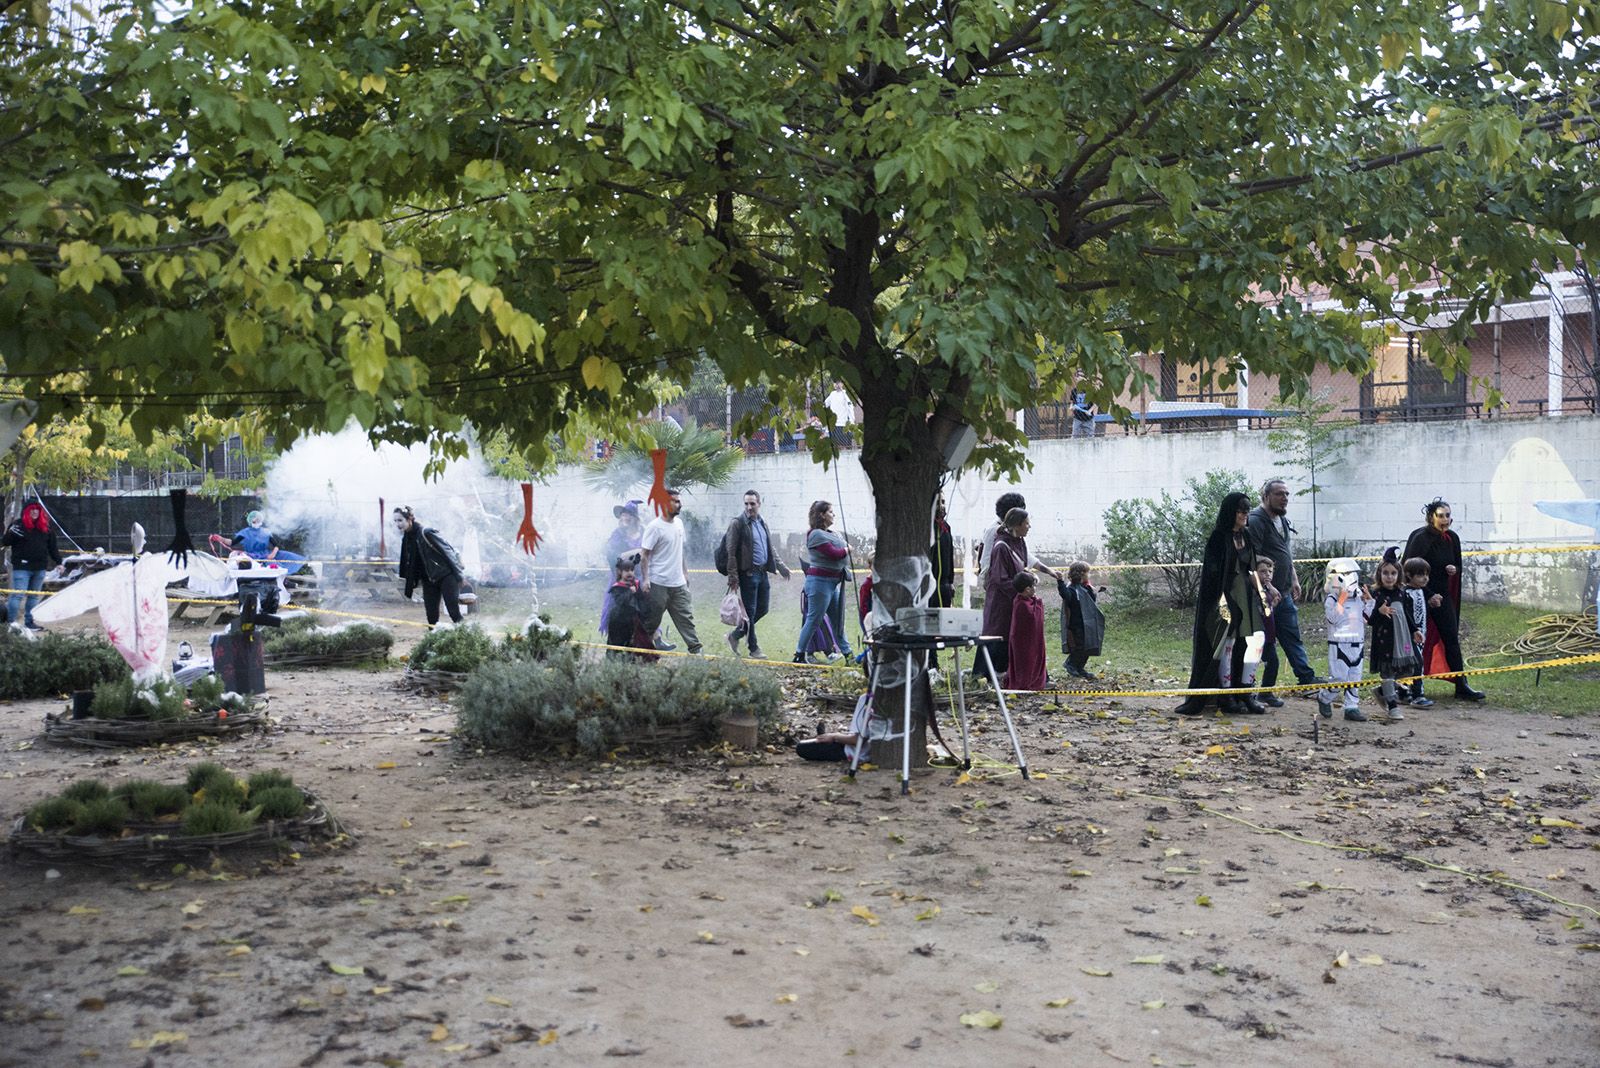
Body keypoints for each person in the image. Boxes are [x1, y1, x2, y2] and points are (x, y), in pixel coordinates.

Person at [1175, 492, 1267, 716]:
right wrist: (1224, 603)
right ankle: (1225, 697)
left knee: (1252, 647)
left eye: (1247, 510)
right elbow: (1213, 576)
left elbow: (1252, 568)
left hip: (1246, 598)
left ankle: (1245, 693)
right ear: (1231, 512)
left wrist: (1264, 593)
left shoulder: (1246, 535)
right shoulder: (1219, 537)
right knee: (1225, 647)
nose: (1245, 514)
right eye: (1240, 510)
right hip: (1225, 600)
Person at [1246, 479, 1324, 692]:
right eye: (1280, 494)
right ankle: (1249, 687)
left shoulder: (1282, 520)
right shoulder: (1256, 520)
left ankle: (1306, 678)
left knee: (1292, 636)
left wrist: (1294, 578)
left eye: (1287, 494)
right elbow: (1251, 558)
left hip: (1285, 592)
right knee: (1262, 645)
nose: (1285, 499)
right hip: (1263, 596)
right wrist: (1267, 587)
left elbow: (1285, 553)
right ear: (1266, 496)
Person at [1404, 498, 1486, 702]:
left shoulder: (1452, 538)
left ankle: (1461, 684)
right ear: (1431, 517)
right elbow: (1410, 569)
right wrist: (1429, 594)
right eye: (1441, 515)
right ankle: (1409, 686)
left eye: (1448, 515)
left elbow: (1455, 566)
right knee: (1415, 640)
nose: (1445, 519)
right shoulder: (1420, 538)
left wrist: (1453, 569)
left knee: (1451, 638)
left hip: (1443, 596)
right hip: (1420, 597)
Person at [721, 490, 790, 659]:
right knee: (750, 613)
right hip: (748, 575)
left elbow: (769, 547)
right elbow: (730, 552)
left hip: (762, 573)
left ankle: (735, 635)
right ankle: (754, 648)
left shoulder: (761, 522)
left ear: (759, 503)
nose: (749, 507)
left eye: (752, 503)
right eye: (746, 504)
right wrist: (733, 577)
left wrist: (781, 567)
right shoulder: (738, 523)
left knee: (763, 609)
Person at [639, 488, 702, 655]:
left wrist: (685, 573)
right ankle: (637, 650)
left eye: (679, 501)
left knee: (686, 618)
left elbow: (680, 551)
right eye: (675, 501)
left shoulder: (679, 524)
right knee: (651, 621)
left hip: (678, 583)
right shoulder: (654, 527)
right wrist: (646, 580)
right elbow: (644, 555)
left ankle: (696, 650)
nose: (679, 504)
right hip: (658, 583)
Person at [795, 499, 852, 664]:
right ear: (821, 515)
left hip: (833, 583)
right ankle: (799, 655)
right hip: (819, 583)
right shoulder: (815, 534)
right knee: (813, 619)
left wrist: (845, 548)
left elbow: (839, 548)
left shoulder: (833, 533)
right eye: (830, 512)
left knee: (837, 622)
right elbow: (834, 553)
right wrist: (847, 549)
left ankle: (848, 655)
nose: (833, 514)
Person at [1316, 558, 1373, 722]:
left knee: (1354, 677)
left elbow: (1366, 618)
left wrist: (1369, 601)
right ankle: (1324, 697)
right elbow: (1333, 619)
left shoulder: (1358, 597)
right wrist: (1341, 598)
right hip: (1339, 644)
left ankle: (1351, 707)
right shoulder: (1332, 600)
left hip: (1357, 642)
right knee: (1339, 679)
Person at [974, 492, 1059, 602]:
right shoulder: (996, 534)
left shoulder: (1017, 536)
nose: (1029, 526)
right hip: (1003, 592)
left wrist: (1049, 571)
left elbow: (1025, 557)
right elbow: (988, 566)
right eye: (1026, 522)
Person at [1370, 553, 1424, 721]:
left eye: (1393, 573)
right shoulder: (1376, 594)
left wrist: (1415, 630)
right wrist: (1379, 612)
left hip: (1403, 640)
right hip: (1385, 641)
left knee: (1412, 665)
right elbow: (1370, 620)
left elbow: (1407, 614)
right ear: (1379, 574)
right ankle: (1392, 707)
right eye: (1385, 573)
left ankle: (1382, 691)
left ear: (1399, 575)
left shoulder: (1401, 593)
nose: (1389, 577)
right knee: (1388, 672)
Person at [980, 507, 1031, 677]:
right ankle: (984, 674)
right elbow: (999, 578)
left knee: (1012, 635)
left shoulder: (1020, 542)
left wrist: (1028, 579)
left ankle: (1008, 672)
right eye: (1026, 523)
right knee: (996, 635)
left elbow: (1022, 567)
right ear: (1017, 525)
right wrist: (1019, 590)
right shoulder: (1001, 546)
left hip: (1014, 599)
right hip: (1001, 601)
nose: (1029, 527)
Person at [394, 505, 464, 626]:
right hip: (428, 580)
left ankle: (467, 637)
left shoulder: (426, 532)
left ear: (410, 519)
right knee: (431, 616)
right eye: (395, 521)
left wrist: (460, 577)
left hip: (445, 576)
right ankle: (434, 641)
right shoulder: (406, 538)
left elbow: (448, 554)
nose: (397, 524)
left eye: (400, 520)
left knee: (454, 612)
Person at [3, 501, 62, 630]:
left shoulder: (46, 528)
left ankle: (29, 623)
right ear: (26, 511)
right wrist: (10, 532)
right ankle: (10, 624)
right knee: (17, 595)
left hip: (40, 568)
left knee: (34, 596)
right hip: (21, 568)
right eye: (32, 509)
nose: (35, 512)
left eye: (37, 509)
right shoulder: (17, 525)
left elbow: (53, 548)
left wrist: (59, 562)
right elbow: (5, 542)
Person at [1057, 561, 1105, 680]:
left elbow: (1091, 600)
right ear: (1082, 574)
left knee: (1088, 645)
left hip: (1087, 624)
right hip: (1076, 624)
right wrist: (1060, 582)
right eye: (1087, 573)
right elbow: (1066, 595)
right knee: (1079, 646)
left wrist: (1092, 590)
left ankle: (1080, 667)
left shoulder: (1085, 588)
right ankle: (1071, 664)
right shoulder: (1072, 589)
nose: (1089, 575)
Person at [1400, 558, 1436, 708]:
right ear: (1408, 575)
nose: (1425, 578)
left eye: (1427, 574)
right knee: (1414, 662)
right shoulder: (1405, 594)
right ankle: (1417, 695)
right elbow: (1406, 616)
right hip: (1409, 638)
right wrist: (1413, 631)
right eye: (1420, 575)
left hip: (1421, 635)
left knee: (1413, 663)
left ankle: (1403, 693)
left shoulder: (1420, 591)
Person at [603, 556, 654, 659]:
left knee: (632, 641)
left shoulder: (635, 584)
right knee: (616, 642)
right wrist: (630, 592)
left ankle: (630, 660)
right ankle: (612, 661)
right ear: (620, 572)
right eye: (626, 570)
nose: (630, 573)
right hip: (618, 620)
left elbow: (641, 599)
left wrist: (643, 593)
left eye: (632, 570)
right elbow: (621, 601)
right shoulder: (617, 587)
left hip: (631, 620)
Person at [1004, 572, 1047, 690]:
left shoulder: (1022, 600)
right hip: (1024, 641)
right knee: (1026, 661)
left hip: (1032, 638)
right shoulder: (1021, 604)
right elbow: (1032, 617)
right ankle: (1027, 682)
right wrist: (1038, 604)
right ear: (1027, 589)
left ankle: (1037, 680)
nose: (1035, 589)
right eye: (1033, 586)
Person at [222, 510, 305, 569]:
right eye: (255, 520)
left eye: (259, 519)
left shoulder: (266, 532)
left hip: (266, 555)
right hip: (252, 556)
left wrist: (272, 554)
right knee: (270, 564)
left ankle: (284, 580)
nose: (257, 521)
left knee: (287, 557)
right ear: (250, 521)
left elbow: (276, 545)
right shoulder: (245, 533)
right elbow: (232, 542)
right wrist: (222, 539)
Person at [1254, 558, 1286, 707]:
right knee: (1253, 664)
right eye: (1262, 571)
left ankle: (1265, 693)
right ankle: (1248, 692)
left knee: (1272, 663)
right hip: (1257, 634)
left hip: (1268, 634)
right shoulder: (1255, 590)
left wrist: (1273, 603)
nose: (1267, 574)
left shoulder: (1267, 589)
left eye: (1270, 571)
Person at [929, 493, 956, 607]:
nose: (941, 506)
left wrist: (950, 581)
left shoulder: (946, 527)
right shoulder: (929, 527)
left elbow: (949, 554)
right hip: (930, 583)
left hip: (944, 583)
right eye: (938, 503)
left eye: (943, 502)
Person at [823, 381, 856, 448]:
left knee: (844, 445)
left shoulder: (844, 394)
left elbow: (850, 406)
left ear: (842, 384)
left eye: (839, 383)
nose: (837, 385)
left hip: (842, 424)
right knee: (834, 445)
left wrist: (852, 421)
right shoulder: (832, 394)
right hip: (833, 425)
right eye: (835, 383)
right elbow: (825, 404)